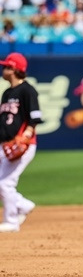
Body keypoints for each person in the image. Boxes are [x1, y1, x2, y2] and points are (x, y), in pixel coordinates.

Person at [0, 53, 43, 233]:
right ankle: (23, 205)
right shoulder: (7, 92)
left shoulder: (27, 90)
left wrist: (27, 134)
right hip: (4, 144)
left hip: (22, 144)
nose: (4, 69)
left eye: (7, 67)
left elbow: (35, 116)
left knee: (6, 183)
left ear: (16, 69)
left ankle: (11, 221)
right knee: (2, 183)